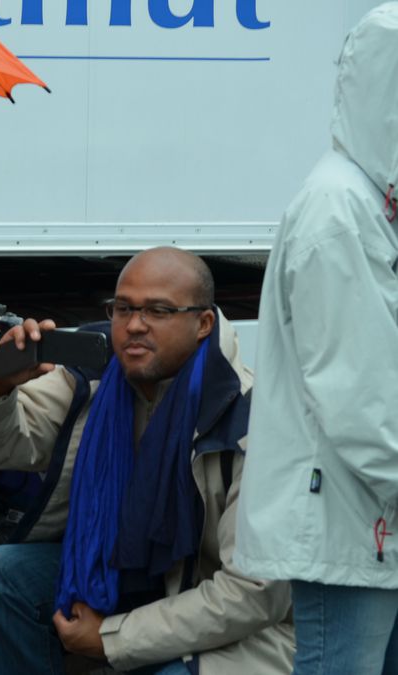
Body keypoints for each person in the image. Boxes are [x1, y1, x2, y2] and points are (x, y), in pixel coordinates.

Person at [0, 247, 294, 675]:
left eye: (158, 311)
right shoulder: (93, 375)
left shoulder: (248, 420)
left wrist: (111, 640)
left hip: (226, 616)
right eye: (124, 308)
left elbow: (254, 594)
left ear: (203, 323)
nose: (134, 325)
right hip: (122, 575)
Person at [234, 5, 398, 674]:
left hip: (363, 515)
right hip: (344, 514)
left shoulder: (362, 201)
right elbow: (359, 395)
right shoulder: (341, 209)